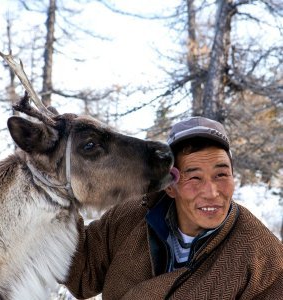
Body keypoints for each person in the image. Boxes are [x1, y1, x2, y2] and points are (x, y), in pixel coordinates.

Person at [65, 116, 283, 300]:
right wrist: (56, 192)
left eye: (221, 175)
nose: (212, 192)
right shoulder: (130, 216)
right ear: (171, 186)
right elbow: (82, 271)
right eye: (194, 177)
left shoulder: (262, 255)